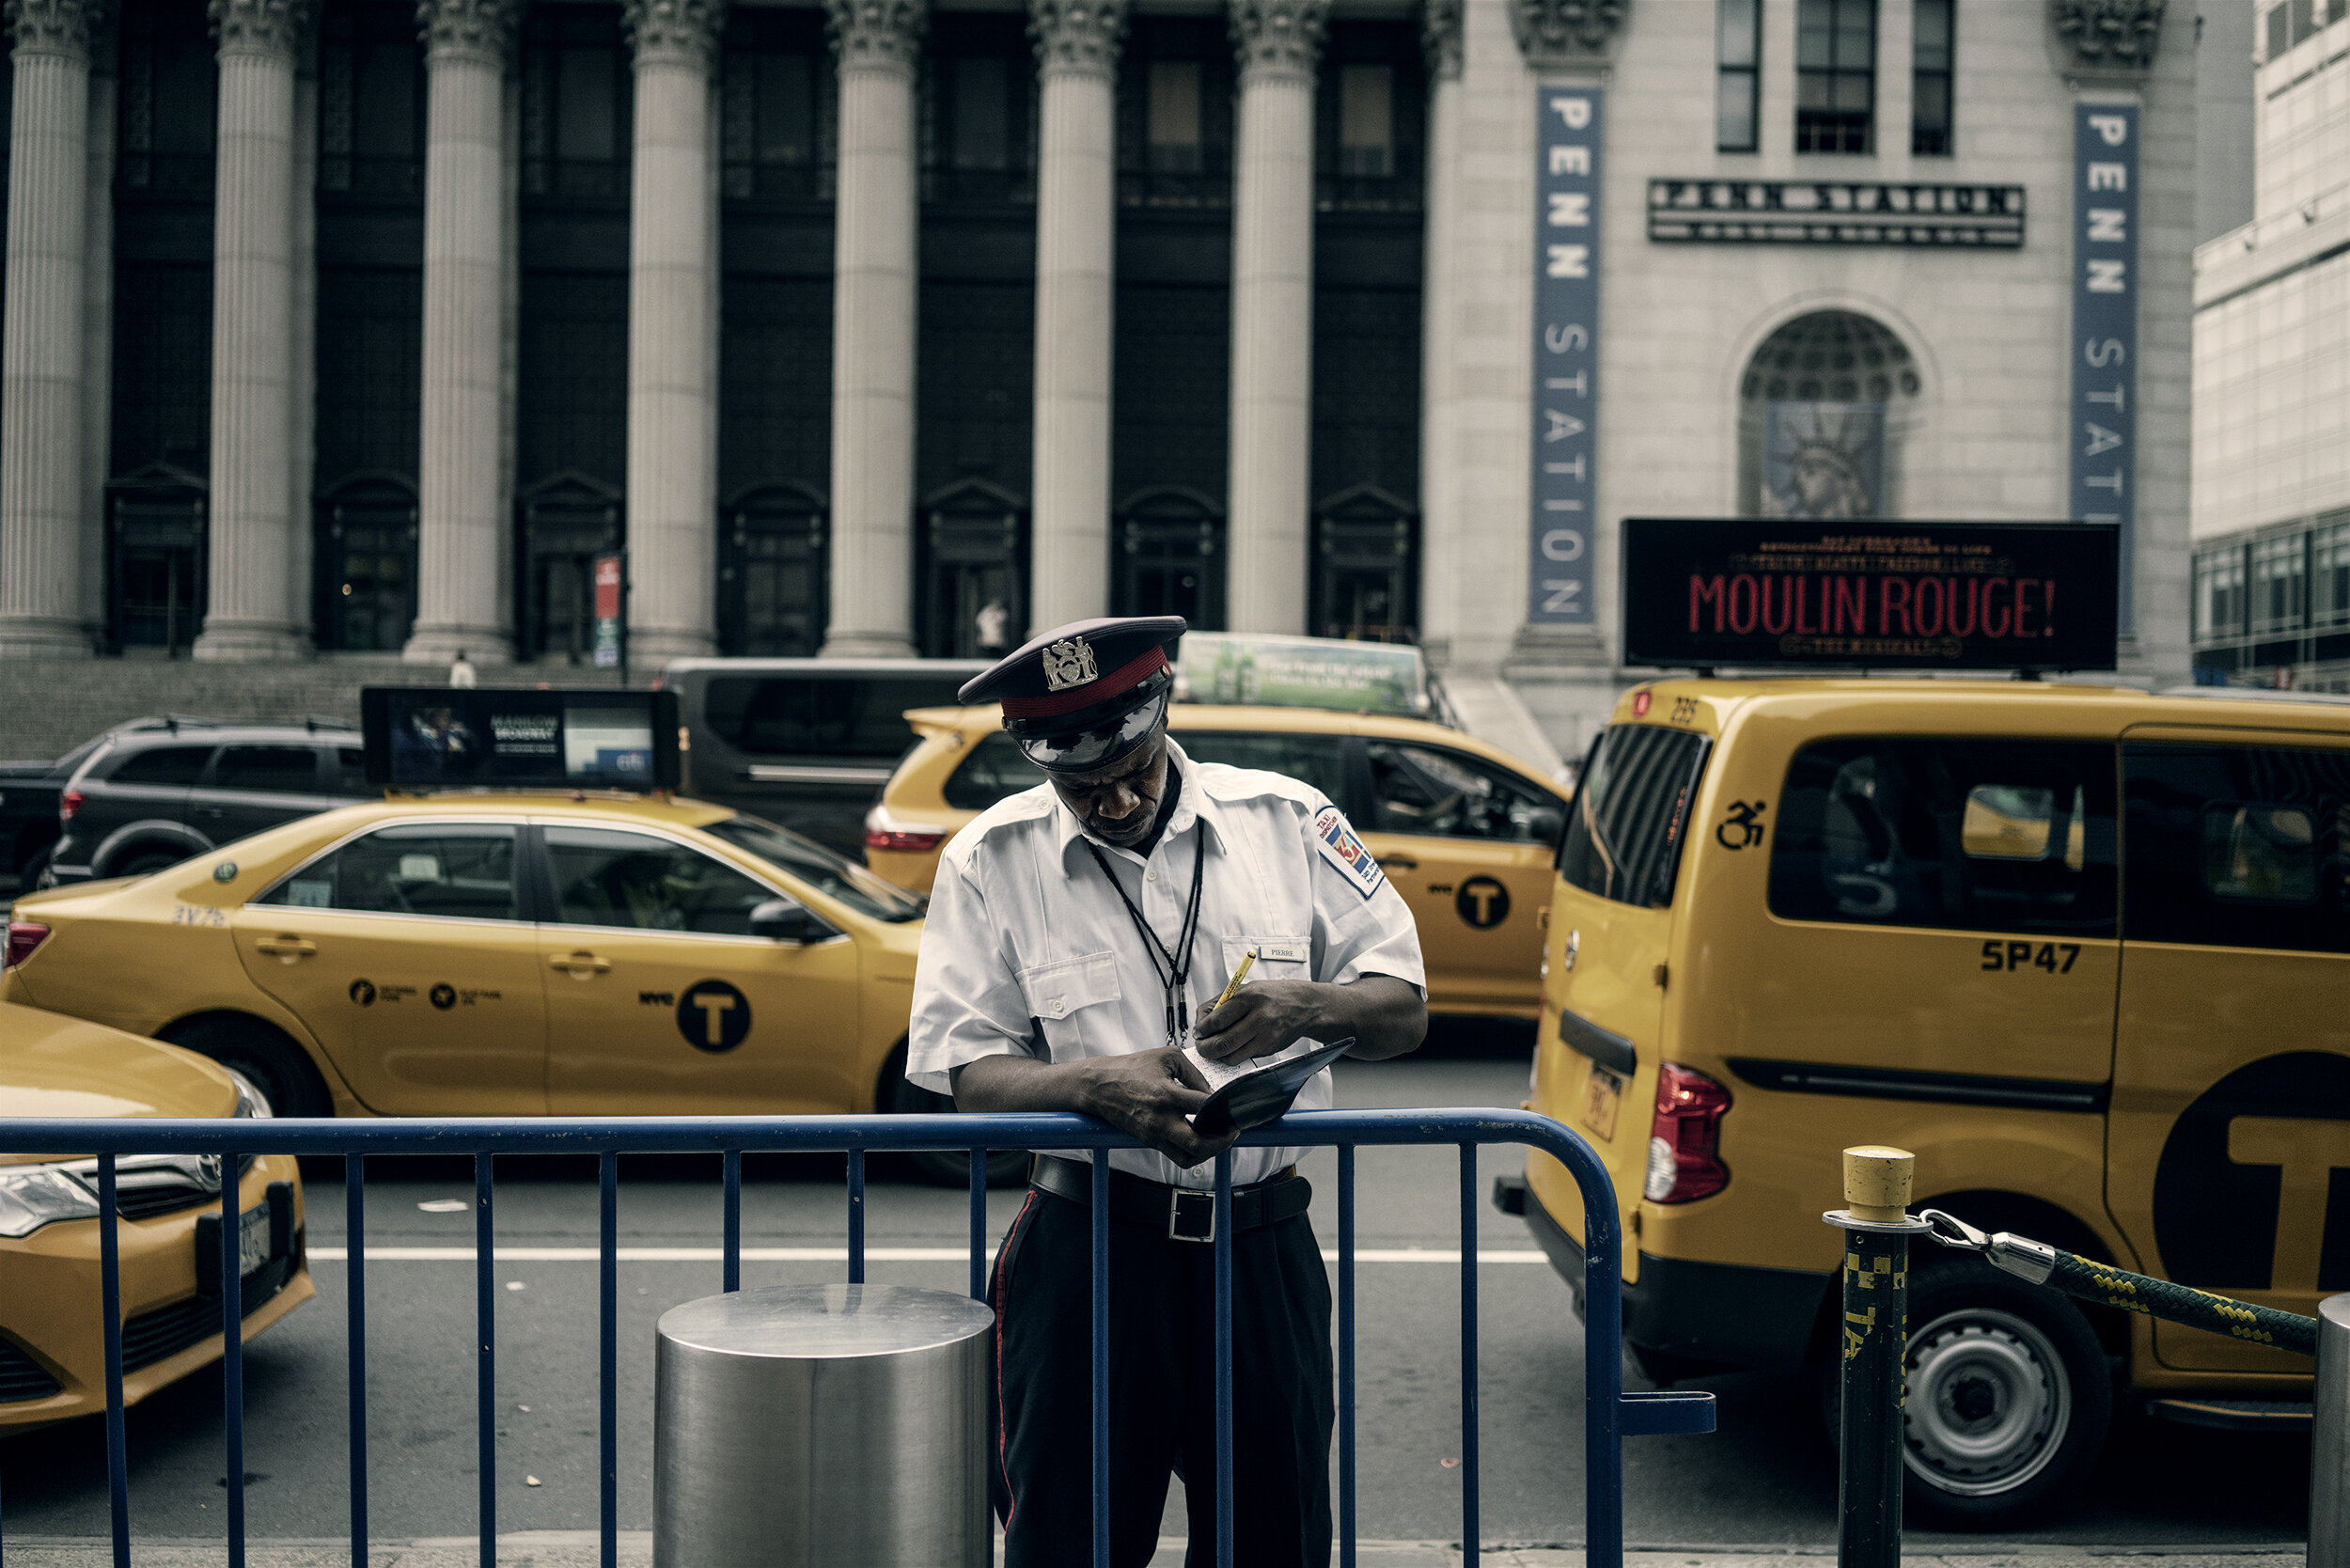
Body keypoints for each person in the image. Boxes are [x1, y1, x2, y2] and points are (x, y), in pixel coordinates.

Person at [907, 615, 1427, 1568]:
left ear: (1163, 710)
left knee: (1274, 1542)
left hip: (1261, 1250)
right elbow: (966, 1071)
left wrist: (1307, 1005)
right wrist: (1091, 1087)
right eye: (1080, 785)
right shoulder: (990, 858)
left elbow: (1402, 1011)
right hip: (1087, 1251)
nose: (1110, 803)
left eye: (1132, 771)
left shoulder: (1289, 821)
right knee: (1070, 1540)